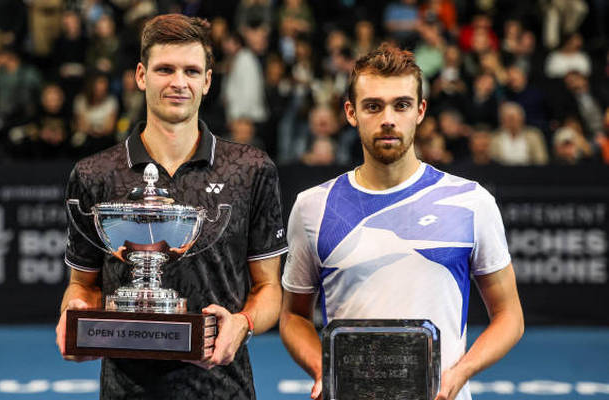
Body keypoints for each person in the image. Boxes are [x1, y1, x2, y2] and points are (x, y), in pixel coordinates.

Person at [55, 13, 287, 400]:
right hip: (125, 392)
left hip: (224, 390)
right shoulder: (93, 173)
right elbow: (82, 284)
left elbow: (268, 289)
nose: (179, 82)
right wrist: (76, 316)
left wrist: (243, 323)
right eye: (165, 69)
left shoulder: (251, 169)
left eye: (191, 71)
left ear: (207, 81)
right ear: (141, 76)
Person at [279, 44, 524, 400]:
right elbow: (293, 316)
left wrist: (459, 375)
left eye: (402, 105)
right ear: (351, 112)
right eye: (373, 106)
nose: (388, 119)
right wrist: (323, 370)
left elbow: (510, 315)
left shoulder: (472, 200)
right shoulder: (312, 207)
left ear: (420, 110)